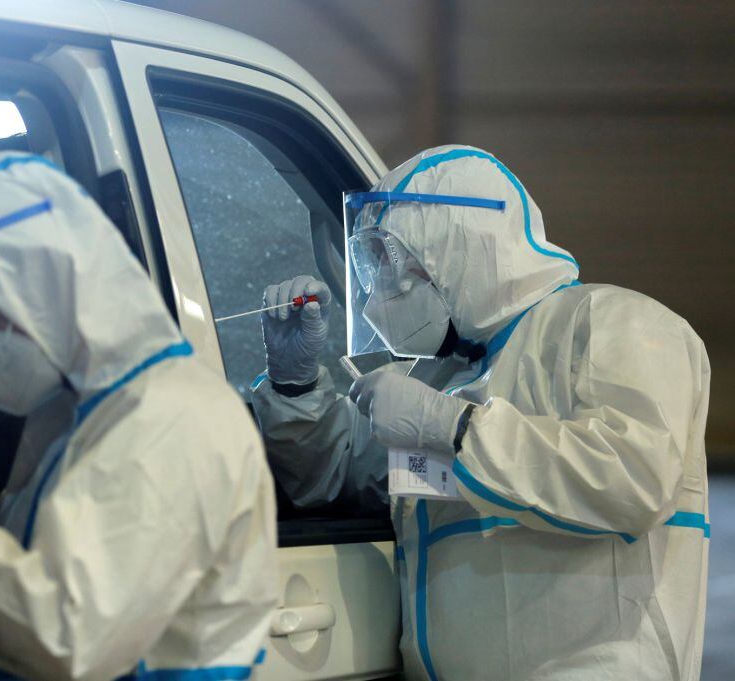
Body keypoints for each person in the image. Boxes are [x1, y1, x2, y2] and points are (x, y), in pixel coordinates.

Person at [252, 145, 710, 681]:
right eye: (370, 262)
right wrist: (295, 382)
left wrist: (452, 427)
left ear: (462, 245)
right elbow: (339, 480)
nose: (381, 291)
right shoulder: (441, 378)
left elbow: (634, 479)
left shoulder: (612, 324)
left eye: (393, 261)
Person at [0, 152, 277, 681]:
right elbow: (4, 627)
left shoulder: (175, 420)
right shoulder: (67, 421)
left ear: (43, 289)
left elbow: (66, 639)